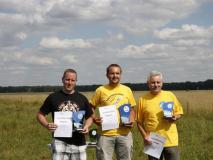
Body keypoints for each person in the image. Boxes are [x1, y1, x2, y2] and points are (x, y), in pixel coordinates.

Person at [37, 69, 93, 160]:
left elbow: (90, 117)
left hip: (79, 142)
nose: (69, 82)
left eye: (72, 80)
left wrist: (86, 126)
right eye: (67, 79)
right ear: (62, 79)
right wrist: (47, 125)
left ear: (76, 82)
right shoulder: (53, 97)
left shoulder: (82, 98)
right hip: (60, 141)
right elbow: (40, 114)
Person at [90, 64, 136, 160]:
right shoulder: (100, 90)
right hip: (105, 135)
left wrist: (131, 121)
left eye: (117, 73)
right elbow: (91, 107)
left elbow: (131, 109)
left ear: (120, 75)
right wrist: (94, 119)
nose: (115, 76)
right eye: (112, 73)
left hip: (124, 134)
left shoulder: (127, 90)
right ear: (107, 75)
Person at [136, 70, 183, 160]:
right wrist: (145, 136)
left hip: (170, 140)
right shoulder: (142, 99)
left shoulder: (170, 95)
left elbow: (179, 112)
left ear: (162, 83)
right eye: (153, 82)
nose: (156, 85)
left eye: (158, 82)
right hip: (152, 141)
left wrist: (175, 117)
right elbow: (138, 122)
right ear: (148, 83)